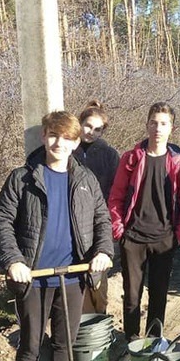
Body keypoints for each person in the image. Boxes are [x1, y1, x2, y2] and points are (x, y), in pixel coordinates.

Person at [0, 111, 113, 361]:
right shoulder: (23, 178)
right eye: (54, 136)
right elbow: (2, 221)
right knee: (31, 342)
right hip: (33, 277)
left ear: (75, 143)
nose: (60, 143)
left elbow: (102, 219)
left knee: (65, 342)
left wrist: (103, 251)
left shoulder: (85, 179)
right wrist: (14, 260)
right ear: (44, 137)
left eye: (67, 138)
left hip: (72, 277)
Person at [108, 102, 180, 342]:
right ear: (146, 125)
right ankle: (131, 340)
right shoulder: (131, 158)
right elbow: (116, 196)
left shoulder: (179, 161)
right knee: (132, 295)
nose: (157, 128)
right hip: (133, 238)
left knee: (159, 294)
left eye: (163, 123)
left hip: (164, 238)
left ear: (171, 128)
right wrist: (118, 228)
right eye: (153, 122)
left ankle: (154, 342)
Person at [73, 101, 120, 314]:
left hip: (99, 222)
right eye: (88, 126)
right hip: (72, 222)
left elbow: (116, 190)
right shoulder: (68, 150)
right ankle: (81, 323)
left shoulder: (110, 155)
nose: (91, 132)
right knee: (76, 276)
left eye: (97, 129)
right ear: (79, 123)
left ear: (103, 131)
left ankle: (100, 319)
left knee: (98, 275)